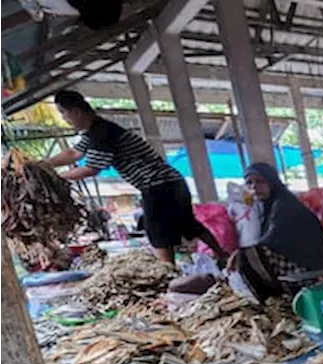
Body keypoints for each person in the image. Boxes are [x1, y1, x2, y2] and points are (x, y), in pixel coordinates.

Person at [46, 89, 227, 266]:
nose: (64, 118)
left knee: (158, 233)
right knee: (187, 224)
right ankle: (221, 255)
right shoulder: (96, 131)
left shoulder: (102, 133)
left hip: (157, 186)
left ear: (76, 112)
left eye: (63, 113)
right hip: (172, 182)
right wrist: (43, 165)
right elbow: (73, 153)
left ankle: (169, 275)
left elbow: (91, 169)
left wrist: (57, 178)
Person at [231, 163, 323, 299]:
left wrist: (242, 253)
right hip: (297, 261)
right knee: (247, 255)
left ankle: (272, 299)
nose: (254, 187)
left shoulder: (284, 206)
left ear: (272, 181)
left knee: (248, 257)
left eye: (260, 181)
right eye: (249, 183)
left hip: (311, 268)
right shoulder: (270, 206)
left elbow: (271, 240)